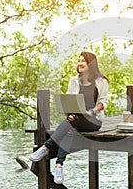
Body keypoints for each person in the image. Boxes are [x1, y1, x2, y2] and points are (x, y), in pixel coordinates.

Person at [29, 51, 109, 184]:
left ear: (91, 63)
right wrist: (69, 113)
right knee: (71, 126)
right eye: (78, 60)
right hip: (75, 120)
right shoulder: (74, 81)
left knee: (71, 123)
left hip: (94, 120)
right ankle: (59, 165)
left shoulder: (101, 81)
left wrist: (91, 112)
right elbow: (68, 102)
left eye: (83, 60)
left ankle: (46, 147)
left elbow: (103, 102)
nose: (80, 63)